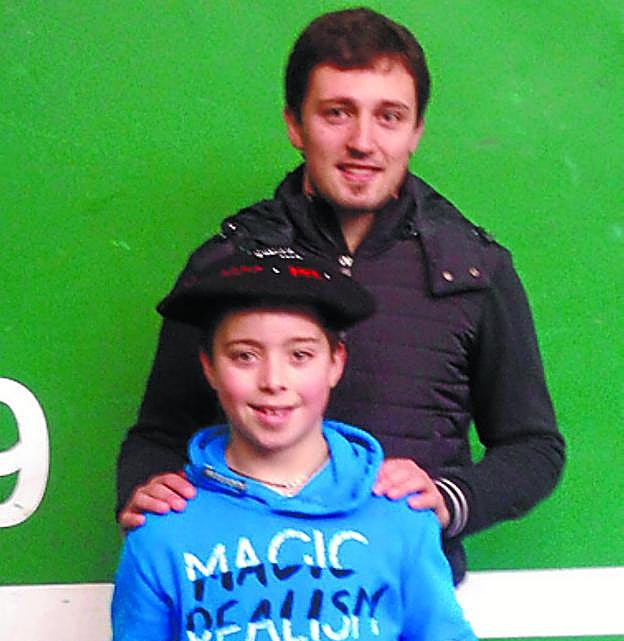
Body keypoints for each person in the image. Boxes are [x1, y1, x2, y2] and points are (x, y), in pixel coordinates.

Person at [116, 7, 565, 584]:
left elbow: (533, 448)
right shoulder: (227, 264)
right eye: (337, 113)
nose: (362, 142)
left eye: (389, 116)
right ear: (294, 125)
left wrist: (450, 499)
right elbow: (157, 436)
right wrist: (146, 487)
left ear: (416, 131)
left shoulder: (474, 269)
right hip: (246, 599)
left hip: (406, 603)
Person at [106, 250, 479, 641]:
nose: (273, 381)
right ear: (209, 367)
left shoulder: (397, 512)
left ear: (336, 362)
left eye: (300, 355)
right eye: (244, 355)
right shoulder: (164, 530)